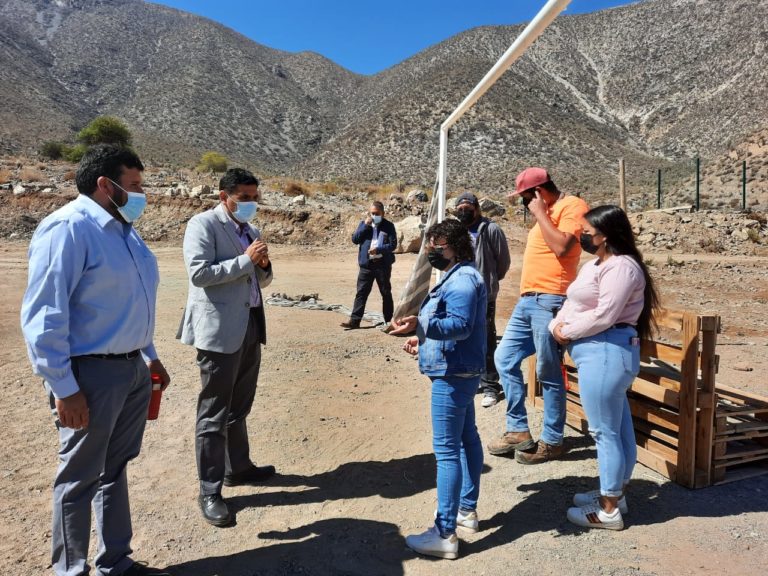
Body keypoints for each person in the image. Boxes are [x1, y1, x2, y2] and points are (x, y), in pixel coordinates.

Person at [20, 144, 172, 576]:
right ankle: (71, 571)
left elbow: (132, 302)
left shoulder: (126, 232)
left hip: (132, 370)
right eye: (135, 185)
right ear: (106, 185)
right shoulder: (68, 228)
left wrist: (150, 357)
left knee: (115, 469)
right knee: (78, 479)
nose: (144, 194)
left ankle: (116, 561)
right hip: (91, 376)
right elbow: (45, 317)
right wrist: (64, 389)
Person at [550, 205, 659, 530]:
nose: (580, 235)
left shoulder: (623, 268)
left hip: (608, 354)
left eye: (587, 231)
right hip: (599, 356)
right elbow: (573, 301)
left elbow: (605, 315)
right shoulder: (597, 264)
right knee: (619, 427)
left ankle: (609, 509)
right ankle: (615, 494)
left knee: (604, 432)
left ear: (606, 234)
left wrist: (565, 332)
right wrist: (556, 323)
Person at [178, 168, 275, 527]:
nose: (251, 204)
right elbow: (200, 274)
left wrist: (262, 265)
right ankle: (210, 489)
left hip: (249, 324)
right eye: (244, 198)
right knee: (214, 411)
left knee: (240, 404)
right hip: (219, 331)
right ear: (224, 196)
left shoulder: (250, 230)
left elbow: (261, 279)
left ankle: (240, 467)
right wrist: (246, 260)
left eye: (254, 197)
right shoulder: (202, 225)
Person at [390, 219, 486, 560]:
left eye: (437, 247)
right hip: (459, 368)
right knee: (466, 439)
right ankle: (466, 511)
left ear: (457, 247)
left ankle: (445, 533)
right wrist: (424, 341)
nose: (431, 252)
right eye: (429, 246)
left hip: (453, 374)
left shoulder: (461, 280)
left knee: (446, 451)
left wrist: (421, 324)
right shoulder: (461, 275)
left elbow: (460, 326)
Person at [490, 167, 589, 464]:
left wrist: (539, 213)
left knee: (548, 371)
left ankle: (553, 440)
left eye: (524, 198)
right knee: (503, 359)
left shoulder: (572, 206)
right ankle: (518, 430)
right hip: (528, 301)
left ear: (539, 192)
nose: (523, 204)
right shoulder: (545, 212)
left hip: (551, 300)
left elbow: (562, 247)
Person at [454, 192, 511, 408]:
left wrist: (490, 280)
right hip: (460, 294)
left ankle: (490, 387)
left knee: (486, 339)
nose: (464, 212)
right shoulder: (458, 231)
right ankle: (470, 380)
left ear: (477, 208)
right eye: (460, 209)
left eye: (467, 208)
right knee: (463, 337)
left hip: (484, 295)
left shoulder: (491, 229)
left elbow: (503, 261)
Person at [340, 200, 397, 329]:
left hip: (382, 265)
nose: (374, 216)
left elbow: (393, 245)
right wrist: (365, 226)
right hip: (367, 265)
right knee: (361, 293)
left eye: (377, 213)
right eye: (372, 213)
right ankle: (354, 321)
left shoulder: (389, 226)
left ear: (383, 213)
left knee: (386, 292)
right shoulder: (364, 224)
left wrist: (379, 249)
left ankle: (388, 321)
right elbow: (355, 239)